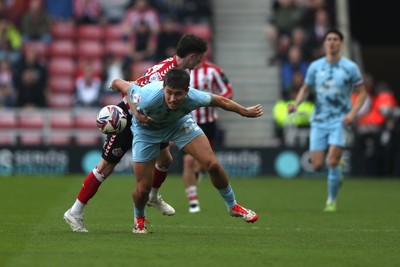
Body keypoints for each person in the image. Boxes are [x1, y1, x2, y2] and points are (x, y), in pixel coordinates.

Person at [64, 33, 208, 232]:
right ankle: (75, 211)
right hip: (129, 118)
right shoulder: (164, 72)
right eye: (200, 57)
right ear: (192, 56)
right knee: (105, 167)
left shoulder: (181, 73)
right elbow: (130, 89)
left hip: (152, 120)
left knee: (165, 161)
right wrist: (137, 114)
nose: (200, 62)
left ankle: (153, 197)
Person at [110, 68, 262, 233]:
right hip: (146, 131)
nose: (173, 99)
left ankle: (233, 206)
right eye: (169, 93)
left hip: (178, 125)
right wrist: (136, 113)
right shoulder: (147, 96)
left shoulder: (194, 96)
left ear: (187, 91)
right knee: (143, 189)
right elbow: (120, 84)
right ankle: (139, 218)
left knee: (212, 165)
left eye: (178, 94)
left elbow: (221, 101)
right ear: (163, 88)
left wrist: (244, 111)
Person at [288, 29, 367, 212]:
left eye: (335, 39)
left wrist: (352, 114)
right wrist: (296, 104)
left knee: (331, 161)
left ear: (341, 43)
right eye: (329, 39)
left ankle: (331, 201)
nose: (331, 42)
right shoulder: (316, 66)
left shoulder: (350, 67)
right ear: (324, 43)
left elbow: (362, 93)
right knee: (316, 165)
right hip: (319, 120)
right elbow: (306, 88)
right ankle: (336, 167)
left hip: (341, 120)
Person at [183, 59, 233, 213]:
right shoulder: (182, 71)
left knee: (205, 164)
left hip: (208, 123)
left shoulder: (214, 71)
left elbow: (228, 91)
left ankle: (200, 172)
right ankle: (193, 200)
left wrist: (213, 100)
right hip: (187, 122)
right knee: (189, 160)